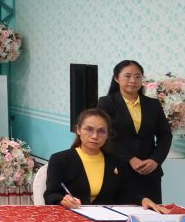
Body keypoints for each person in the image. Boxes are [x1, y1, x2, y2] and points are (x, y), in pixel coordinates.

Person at [44, 108, 168, 212]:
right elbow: (50, 195)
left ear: (108, 134)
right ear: (78, 130)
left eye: (101, 131)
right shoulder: (60, 160)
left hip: (106, 220)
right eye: (89, 129)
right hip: (71, 218)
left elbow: (123, 194)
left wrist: (143, 199)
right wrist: (62, 200)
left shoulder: (116, 161)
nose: (95, 136)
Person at [97, 60, 172, 203]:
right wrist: (130, 159)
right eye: (127, 76)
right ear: (116, 78)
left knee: (152, 213)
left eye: (138, 76)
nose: (133, 80)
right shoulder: (106, 103)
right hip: (118, 170)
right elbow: (105, 136)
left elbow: (165, 135)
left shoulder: (153, 104)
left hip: (149, 172)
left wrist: (155, 160)